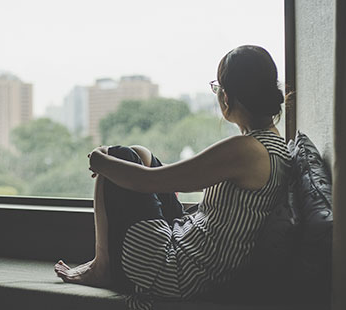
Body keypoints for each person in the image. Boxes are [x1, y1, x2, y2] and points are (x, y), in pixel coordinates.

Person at [54, 45, 290, 309]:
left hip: (178, 272)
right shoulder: (270, 145)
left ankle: (102, 267)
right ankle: (104, 261)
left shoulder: (246, 151)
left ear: (228, 96)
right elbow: (165, 176)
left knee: (118, 156)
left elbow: (149, 182)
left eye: (218, 87)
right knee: (140, 154)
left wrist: (100, 159)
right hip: (189, 245)